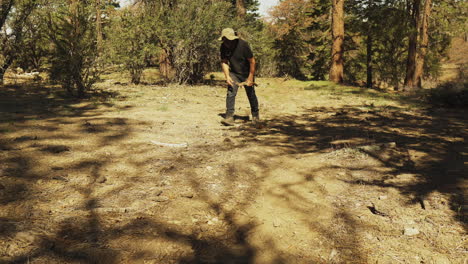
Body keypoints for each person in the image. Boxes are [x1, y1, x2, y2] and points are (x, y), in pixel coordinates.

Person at [219, 28, 259, 126]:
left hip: (246, 73)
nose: (226, 42)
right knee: (231, 92)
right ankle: (229, 117)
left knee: (251, 94)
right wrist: (227, 76)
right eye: (225, 40)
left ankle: (255, 116)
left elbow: (252, 61)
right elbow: (224, 62)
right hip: (234, 73)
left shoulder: (243, 45)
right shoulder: (223, 47)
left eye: (228, 40)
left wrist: (250, 77)